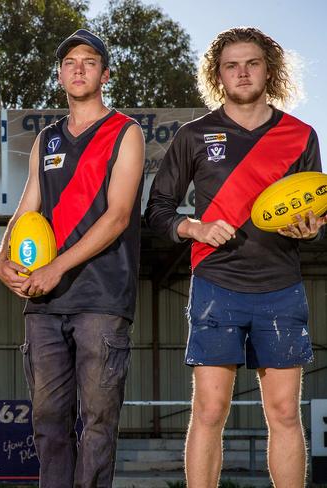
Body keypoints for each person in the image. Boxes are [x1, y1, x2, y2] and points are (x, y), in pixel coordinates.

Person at [146, 27, 323, 488]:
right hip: (215, 285)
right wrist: (195, 226)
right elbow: (157, 210)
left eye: (252, 63)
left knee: (284, 413)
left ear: (270, 69)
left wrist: (310, 228)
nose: (242, 72)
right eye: (231, 65)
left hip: (280, 285)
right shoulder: (194, 135)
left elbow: (311, 210)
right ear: (218, 74)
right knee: (209, 410)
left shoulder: (300, 135)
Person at [0, 29, 144, 487]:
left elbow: (118, 217)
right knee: (48, 421)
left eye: (90, 60)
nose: (79, 68)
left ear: (105, 72)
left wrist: (58, 265)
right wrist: (1, 260)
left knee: (98, 421)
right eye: (70, 62)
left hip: (101, 299)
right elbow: (26, 210)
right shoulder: (47, 139)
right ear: (60, 74)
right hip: (44, 304)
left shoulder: (126, 132)